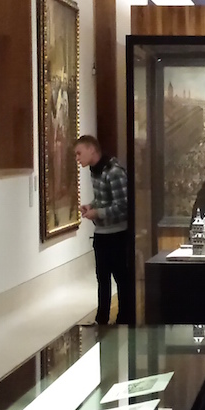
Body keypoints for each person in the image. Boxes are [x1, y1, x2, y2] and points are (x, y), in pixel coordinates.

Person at [75, 135, 134, 325]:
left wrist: (98, 212)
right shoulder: (95, 171)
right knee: (102, 279)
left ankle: (124, 318)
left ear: (91, 150)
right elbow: (103, 199)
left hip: (117, 234)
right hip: (102, 233)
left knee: (121, 278)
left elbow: (123, 206)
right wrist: (91, 206)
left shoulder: (114, 172)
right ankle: (101, 319)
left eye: (79, 153)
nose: (77, 158)